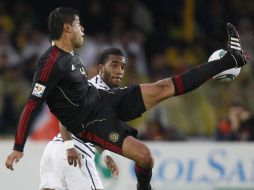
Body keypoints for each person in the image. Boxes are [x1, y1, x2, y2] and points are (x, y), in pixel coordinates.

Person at [5, 7, 247, 190]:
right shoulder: (49, 63)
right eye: (79, 25)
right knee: (145, 157)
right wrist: (18, 146)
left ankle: (230, 59)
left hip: (104, 99)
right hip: (92, 123)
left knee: (162, 87)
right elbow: (32, 104)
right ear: (67, 28)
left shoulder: (71, 56)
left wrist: (106, 153)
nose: (83, 29)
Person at [40, 48, 123, 190]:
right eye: (114, 65)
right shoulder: (91, 91)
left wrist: (105, 154)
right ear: (101, 69)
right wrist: (69, 146)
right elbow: (65, 117)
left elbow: (93, 131)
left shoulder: (102, 93)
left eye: (122, 67)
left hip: (53, 150)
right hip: (75, 151)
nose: (119, 71)